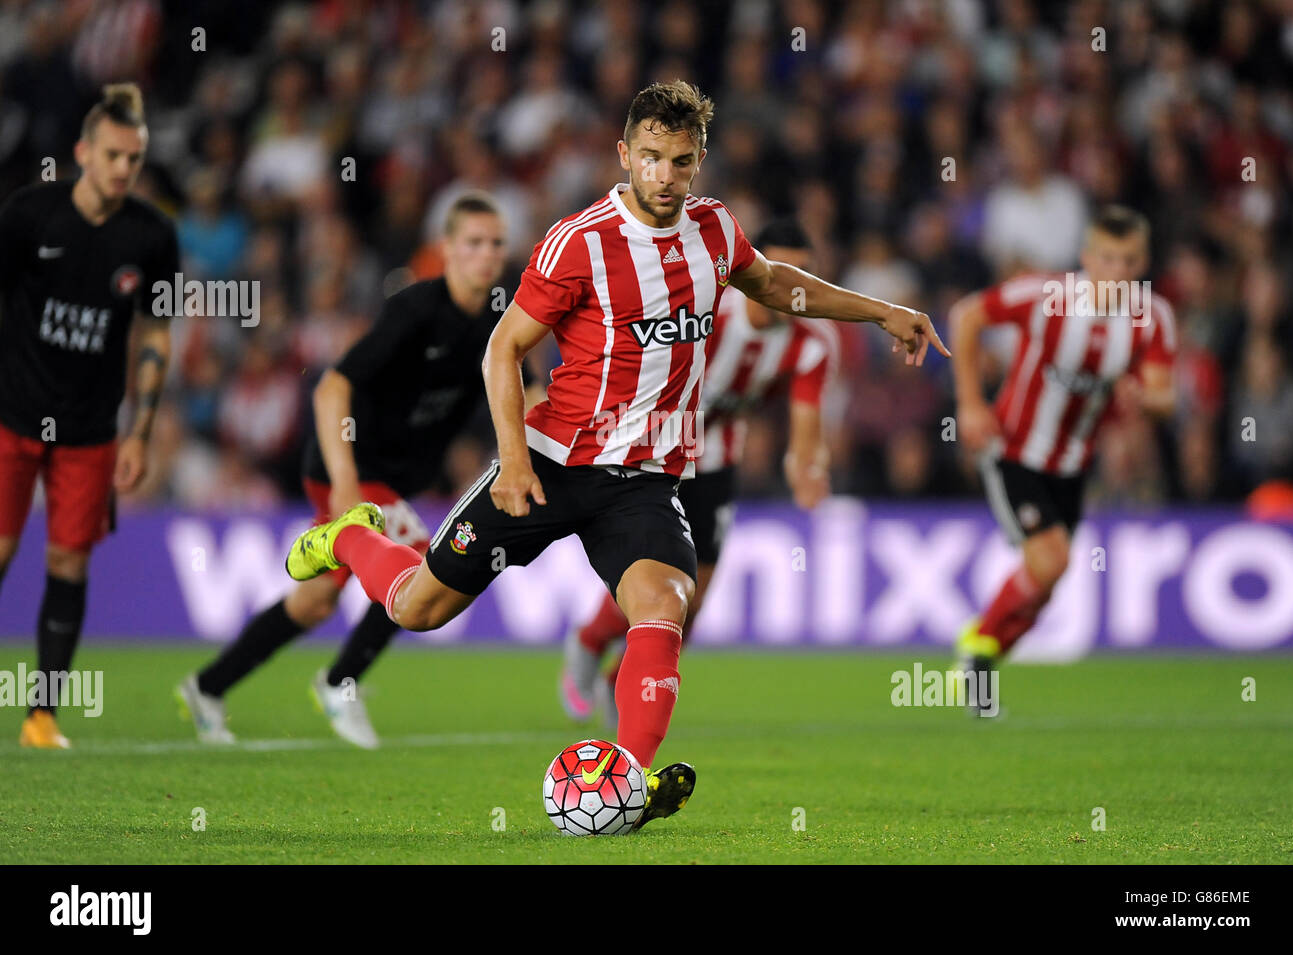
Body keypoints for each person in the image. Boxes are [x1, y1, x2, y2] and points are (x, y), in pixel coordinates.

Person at [283, 80, 945, 829]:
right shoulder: (579, 243)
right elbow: (504, 349)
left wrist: (884, 309)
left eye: (682, 161)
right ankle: (347, 534)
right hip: (553, 461)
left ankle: (626, 781)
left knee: (666, 605)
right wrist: (514, 459)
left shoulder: (716, 230)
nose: (666, 176)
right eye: (653, 158)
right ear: (625, 153)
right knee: (417, 608)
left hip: (645, 480)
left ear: (699, 163)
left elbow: (775, 286)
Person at [177, 193, 517, 747]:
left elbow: (513, 389)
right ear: (447, 249)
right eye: (474, 243)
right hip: (347, 466)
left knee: (314, 602)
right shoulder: (415, 310)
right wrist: (346, 487)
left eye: (496, 243)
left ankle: (207, 686)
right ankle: (340, 682)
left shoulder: (498, 322)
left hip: (388, 474)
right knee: (422, 560)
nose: (487, 254)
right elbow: (333, 387)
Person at [558, 218, 837, 724]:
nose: (791, 288)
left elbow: (805, 424)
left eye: (805, 274)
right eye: (783, 270)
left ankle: (614, 679)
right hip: (659, 452)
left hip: (719, 460)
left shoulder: (811, 345)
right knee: (651, 576)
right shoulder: (711, 309)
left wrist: (806, 463)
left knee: (694, 600)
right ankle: (589, 639)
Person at [0, 83, 178, 748]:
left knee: (68, 562)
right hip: (12, 415)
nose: (124, 169)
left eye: (134, 158)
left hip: (91, 430)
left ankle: (41, 717)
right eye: (113, 155)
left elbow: (157, 331)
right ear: (82, 152)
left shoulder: (152, 236)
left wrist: (140, 429)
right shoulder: (27, 217)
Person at [949, 205, 1176, 711]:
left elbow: (1166, 396)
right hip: (1012, 449)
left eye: (1128, 260)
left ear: (1142, 262)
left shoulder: (1151, 318)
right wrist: (969, 404)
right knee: (1051, 560)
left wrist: (1146, 397)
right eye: (1108, 258)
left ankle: (981, 663)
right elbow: (967, 317)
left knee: (1045, 586)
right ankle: (976, 645)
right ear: (1087, 257)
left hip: (1073, 463)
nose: (1117, 271)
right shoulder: (1044, 297)